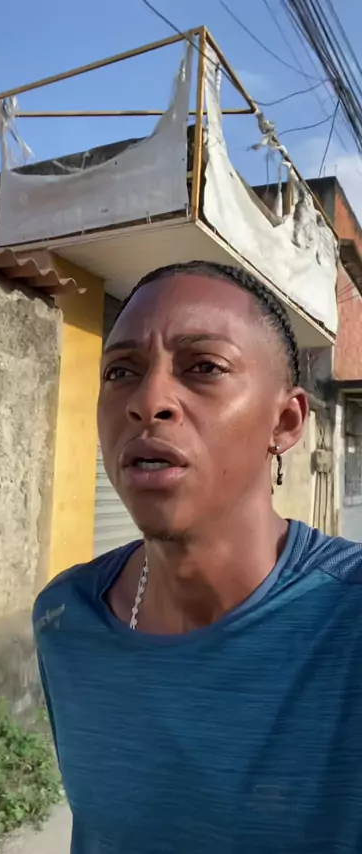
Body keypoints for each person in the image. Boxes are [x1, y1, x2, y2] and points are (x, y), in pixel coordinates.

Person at [33, 261, 362, 854]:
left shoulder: (348, 621)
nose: (148, 401)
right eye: (121, 371)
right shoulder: (65, 618)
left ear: (285, 421)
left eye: (204, 367)